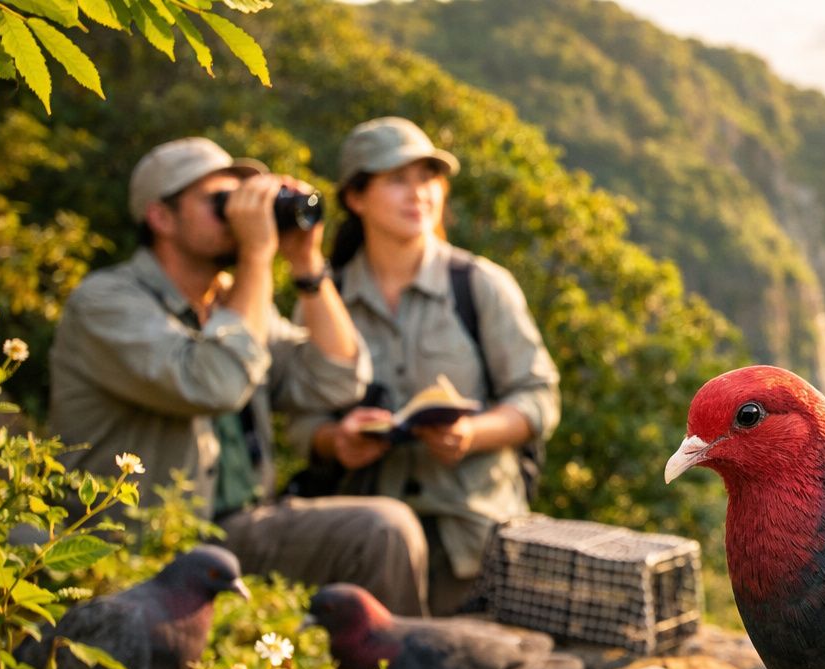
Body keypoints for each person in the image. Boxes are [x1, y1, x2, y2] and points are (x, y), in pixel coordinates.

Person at [49, 137, 431, 615]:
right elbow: (215, 383)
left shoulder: (236, 302)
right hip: (143, 541)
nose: (238, 215)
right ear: (160, 218)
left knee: (383, 531)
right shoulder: (106, 303)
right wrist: (255, 258)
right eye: (220, 203)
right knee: (382, 526)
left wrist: (305, 264)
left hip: (237, 527)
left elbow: (336, 380)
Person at [303, 117, 560, 615]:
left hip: (477, 542)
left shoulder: (481, 284)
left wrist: (471, 433)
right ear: (355, 198)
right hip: (368, 549)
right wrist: (338, 441)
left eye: (428, 178)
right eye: (397, 179)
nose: (418, 193)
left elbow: (539, 398)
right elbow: (300, 421)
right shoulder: (322, 297)